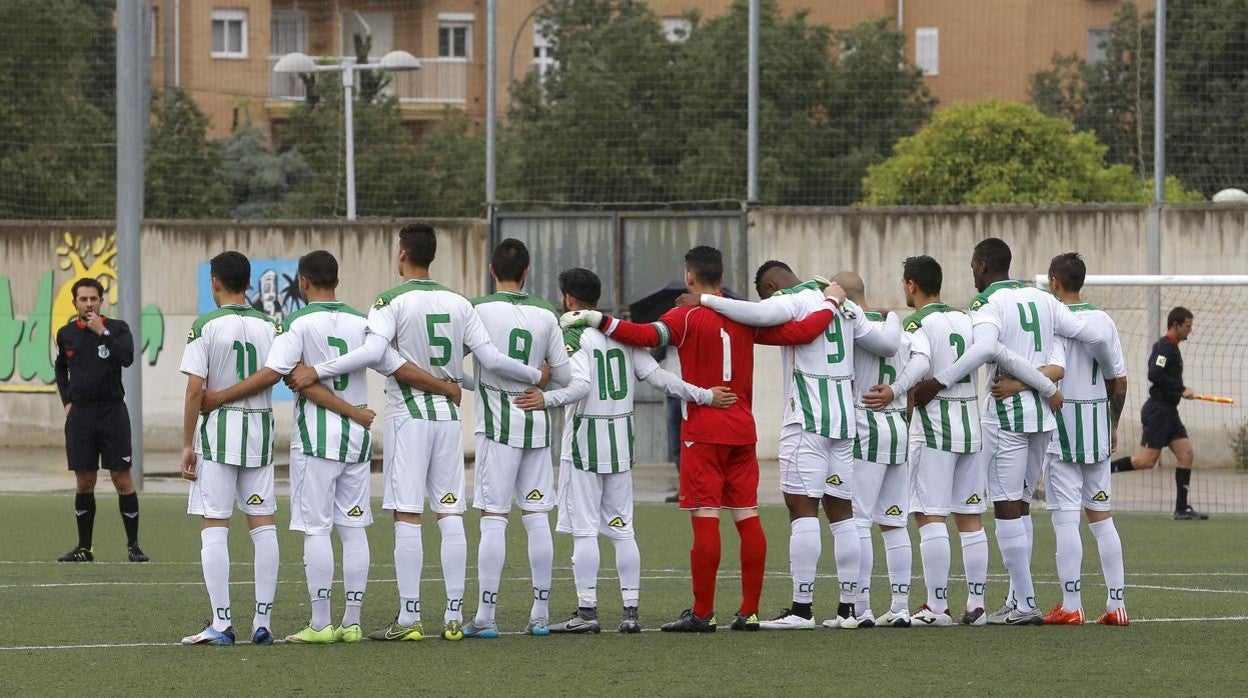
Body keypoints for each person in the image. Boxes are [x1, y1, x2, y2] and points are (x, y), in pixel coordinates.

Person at [560, 246, 840, 633]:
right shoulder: (743, 313)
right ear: (721, 277)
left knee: (706, 517)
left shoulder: (685, 314)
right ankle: (749, 611)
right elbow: (804, 332)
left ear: (689, 276)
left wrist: (596, 319)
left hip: (704, 430)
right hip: (743, 428)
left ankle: (703, 613)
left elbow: (642, 335)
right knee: (747, 516)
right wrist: (829, 303)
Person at [287, 224, 544, 643]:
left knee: (408, 513)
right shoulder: (460, 302)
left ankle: (409, 618)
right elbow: (492, 358)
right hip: (447, 418)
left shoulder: (390, 300)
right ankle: (455, 616)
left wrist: (318, 369)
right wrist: (535, 374)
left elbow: (374, 354)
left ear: (401, 253)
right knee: (449, 511)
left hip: (409, 415)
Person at [199, 250, 454, 644]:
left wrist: (219, 397)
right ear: (337, 279)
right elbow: (396, 366)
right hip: (356, 439)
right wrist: (448, 387)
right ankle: (351, 621)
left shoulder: (297, 322)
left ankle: (321, 623)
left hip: (316, 441)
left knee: (316, 530)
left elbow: (274, 373)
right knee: (353, 528)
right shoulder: (363, 322)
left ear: (302, 282)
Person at [681, 262, 900, 630]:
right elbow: (888, 344)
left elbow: (755, 314)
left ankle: (802, 610)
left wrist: (704, 300)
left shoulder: (794, 299)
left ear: (771, 285)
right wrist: (891, 315)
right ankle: (850, 609)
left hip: (808, 420)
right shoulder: (843, 304)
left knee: (803, 511)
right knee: (842, 514)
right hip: (844, 421)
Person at [519, 268, 734, 634]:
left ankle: (586, 613)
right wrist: (704, 395)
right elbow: (659, 378)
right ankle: (630, 612)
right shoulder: (621, 334)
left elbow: (580, 385)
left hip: (585, 444)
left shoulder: (573, 334)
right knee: (623, 529)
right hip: (620, 445)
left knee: (585, 531)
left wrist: (546, 398)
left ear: (568, 299)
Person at [911, 237, 1115, 625]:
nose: (972, 273)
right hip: (1043, 418)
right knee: (1019, 504)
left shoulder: (989, 302)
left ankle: (1025, 602)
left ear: (984, 266)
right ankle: (1017, 597)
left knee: (1005, 505)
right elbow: (1096, 338)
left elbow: (987, 349)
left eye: (973, 265)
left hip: (1007, 415)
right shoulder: (1043, 299)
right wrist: (1098, 378)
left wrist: (939, 381)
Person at [865, 255, 1058, 627]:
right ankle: (976, 604)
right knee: (970, 517)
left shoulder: (918, 323)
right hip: (971, 428)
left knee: (929, 513)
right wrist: (1046, 385)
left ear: (910, 285)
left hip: (936, 429)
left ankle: (937, 607)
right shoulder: (967, 320)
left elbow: (920, 364)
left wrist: (897, 389)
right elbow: (999, 353)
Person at [994, 253, 1130, 625]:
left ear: (1054, 281)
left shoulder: (1051, 318)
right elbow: (1118, 379)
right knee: (1101, 517)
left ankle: (1072, 604)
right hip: (1097, 427)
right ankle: (1117, 604)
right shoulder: (1104, 320)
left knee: (1066, 519)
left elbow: (1049, 373)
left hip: (1062, 423)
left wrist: (1016, 383)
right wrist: (1113, 424)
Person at [462, 239, 572, 639]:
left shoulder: (475, 308)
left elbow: (451, 363)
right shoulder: (547, 312)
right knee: (536, 517)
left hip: (496, 427)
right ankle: (540, 614)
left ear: (492, 270)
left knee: (493, 517)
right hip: (537, 427)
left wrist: (470, 382)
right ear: (527, 271)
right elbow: (562, 375)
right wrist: (538, 376)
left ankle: (486, 617)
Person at [179, 251, 281, 646]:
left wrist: (186, 444)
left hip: (219, 435)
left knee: (214, 523)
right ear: (249, 282)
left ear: (215, 282)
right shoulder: (272, 326)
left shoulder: (206, 325)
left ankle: (222, 623)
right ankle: (263, 622)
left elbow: (194, 391)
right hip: (260, 433)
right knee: (263, 523)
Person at [834, 271, 914, 628]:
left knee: (859, 518)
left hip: (867, 422)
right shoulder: (895, 326)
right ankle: (900, 606)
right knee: (895, 520)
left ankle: (861, 607)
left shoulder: (853, 325)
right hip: (899, 424)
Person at [54, 278, 146, 563]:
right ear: (75, 303)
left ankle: (133, 546)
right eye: (83, 299)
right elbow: (60, 367)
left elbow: (127, 358)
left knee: (121, 478)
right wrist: (67, 400)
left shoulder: (118, 329)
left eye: (93, 299)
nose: (89, 304)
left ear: (101, 301)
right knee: (85, 481)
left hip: (112, 412)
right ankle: (84, 547)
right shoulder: (66, 333)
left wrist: (102, 332)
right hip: (81, 415)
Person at [1110, 307, 1207, 520]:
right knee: (1146, 461)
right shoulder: (1164, 347)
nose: (1190, 330)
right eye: (1188, 326)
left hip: (1170, 412)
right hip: (1158, 411)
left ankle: (1181, 509)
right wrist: (1181, 389)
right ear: (1176, 325)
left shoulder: (1174, 348)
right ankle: (1103, 471)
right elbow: (1154, 373)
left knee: (1186, 454)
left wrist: (1179, 391)